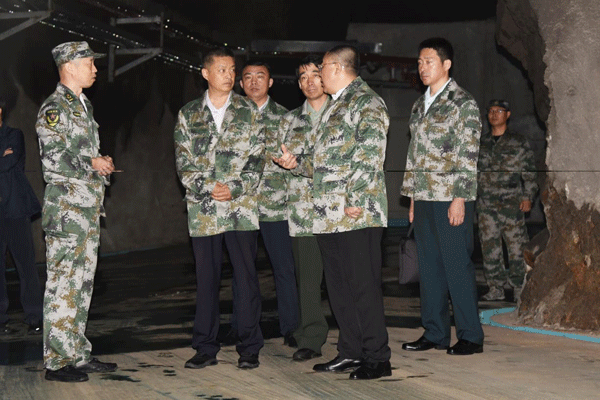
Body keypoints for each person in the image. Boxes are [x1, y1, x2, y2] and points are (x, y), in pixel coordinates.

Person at [274, 45, 391, 380]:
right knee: (339, 288)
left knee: (363, 287)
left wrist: (356, 197)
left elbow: (370, 154)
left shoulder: (366, 102)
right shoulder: (335, 106)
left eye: (321, 68)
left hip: (355, 213)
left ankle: (377, 357)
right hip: (327, 214)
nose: (318, 74)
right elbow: (326, 163)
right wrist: (296, 164)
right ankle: (351, 351)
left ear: (337, 68)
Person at [174, 47, 265, 370]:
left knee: (246, 279)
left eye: (232, 70)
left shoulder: (248, 111)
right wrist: (208, 186)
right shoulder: (188, 114)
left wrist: (235, 187)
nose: (229, 76)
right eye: (222, 70)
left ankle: (249, 346)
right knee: (206, 280)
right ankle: (205, 347)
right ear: (206, 73)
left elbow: (257, 158)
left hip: (240, 208)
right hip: (204, 210)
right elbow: (183, 163)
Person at [36, 41, 117, 382]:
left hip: (86, 209)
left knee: (82, 285)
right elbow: (53, 159)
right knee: (62, 285)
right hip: (67, 211)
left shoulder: (83, 105)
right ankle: (56, 362)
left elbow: (83, 156)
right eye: (89, 63)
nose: (95, 69)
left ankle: (77, 354)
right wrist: (91, 163)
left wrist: (100, 163)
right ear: (69, 66)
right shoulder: (54, 108)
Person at [400, 37, 484, 356]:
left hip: (450, 197)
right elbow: (414, 154)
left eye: (429, 62)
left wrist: (460, 198)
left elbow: (468, 154)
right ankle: (435, 332)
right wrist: (411, 198)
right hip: (423, 197)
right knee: (429, 268)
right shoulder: (419, 105)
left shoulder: (463, 103)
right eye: (420, 62)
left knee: (456, 266)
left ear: (446, 64)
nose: (422, 68)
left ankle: (470, 336)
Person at [239, 61, 298, 347]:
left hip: (276, 208)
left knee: (284, 270)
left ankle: (291, 328)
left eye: (260, 76)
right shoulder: (231, 117)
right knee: (242, 272)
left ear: (270, 82)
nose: (254, 82)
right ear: (240, 84)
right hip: (240, 208)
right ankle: (244, 329)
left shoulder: (286, 118)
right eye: (248, 77)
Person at [278, 55, 330, 362]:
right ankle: (311, 337)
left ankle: (356, 336)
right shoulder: (289, 121)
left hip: (337, 211)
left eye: (315, 74)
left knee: (343, 279)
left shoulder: (341, 114)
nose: (309, 82)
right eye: (303, 77)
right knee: (307, 281)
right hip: (303, 212)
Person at [477, 100, 538, 302]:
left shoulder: (518, 142)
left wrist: (528, 196)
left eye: (499, 111)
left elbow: (529, 172)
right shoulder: (481, 143)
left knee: (516, 247)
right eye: (491, 111)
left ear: (508, 114)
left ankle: (520, 286)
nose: (494, 114)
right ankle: (495, 287)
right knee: (489, 247)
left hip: (512, 204)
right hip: (486, 205)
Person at [0, 96, 43, 335]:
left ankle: (35, 315)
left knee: (25, 265)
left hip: (15, 210)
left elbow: (9, 163)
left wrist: (5, 157)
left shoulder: (14, 135)